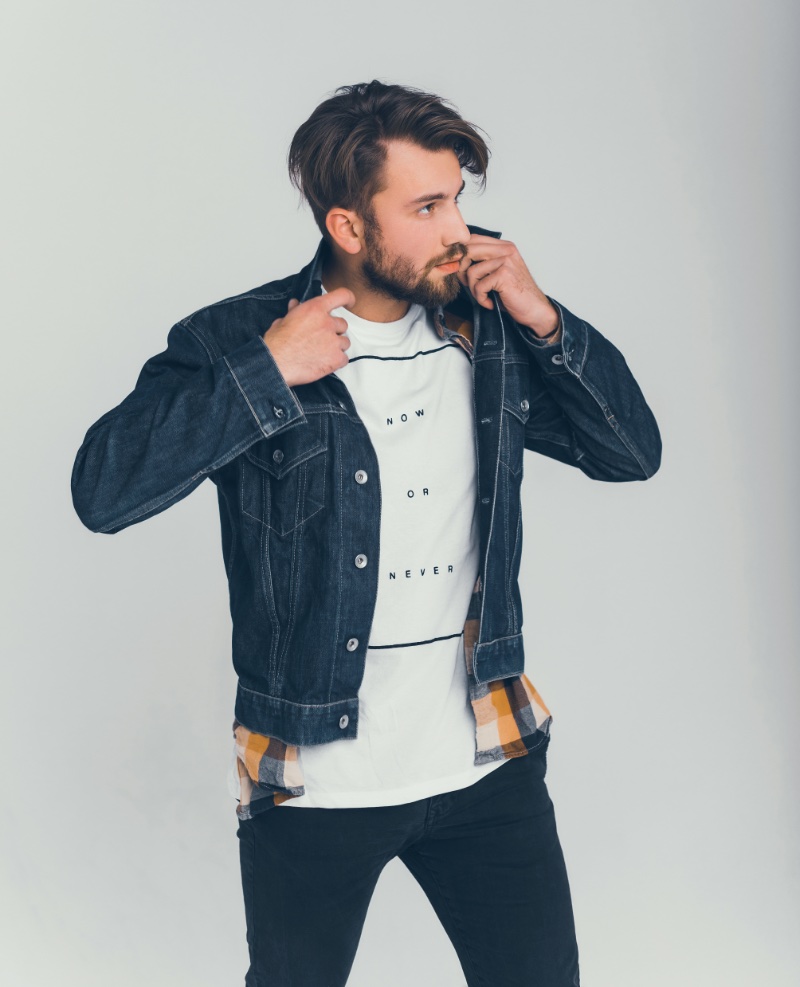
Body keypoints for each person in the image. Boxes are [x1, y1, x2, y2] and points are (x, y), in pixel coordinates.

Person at [71, 80, 661, 987]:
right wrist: (265, 371)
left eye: (458, 197)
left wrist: (544, 319)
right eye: (426, 206)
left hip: (486, 761)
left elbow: (631, 452)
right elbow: (103, 489)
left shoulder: (488, 330)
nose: (459, 228)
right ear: (349, 227)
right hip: (316, 779)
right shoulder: (243, 335)